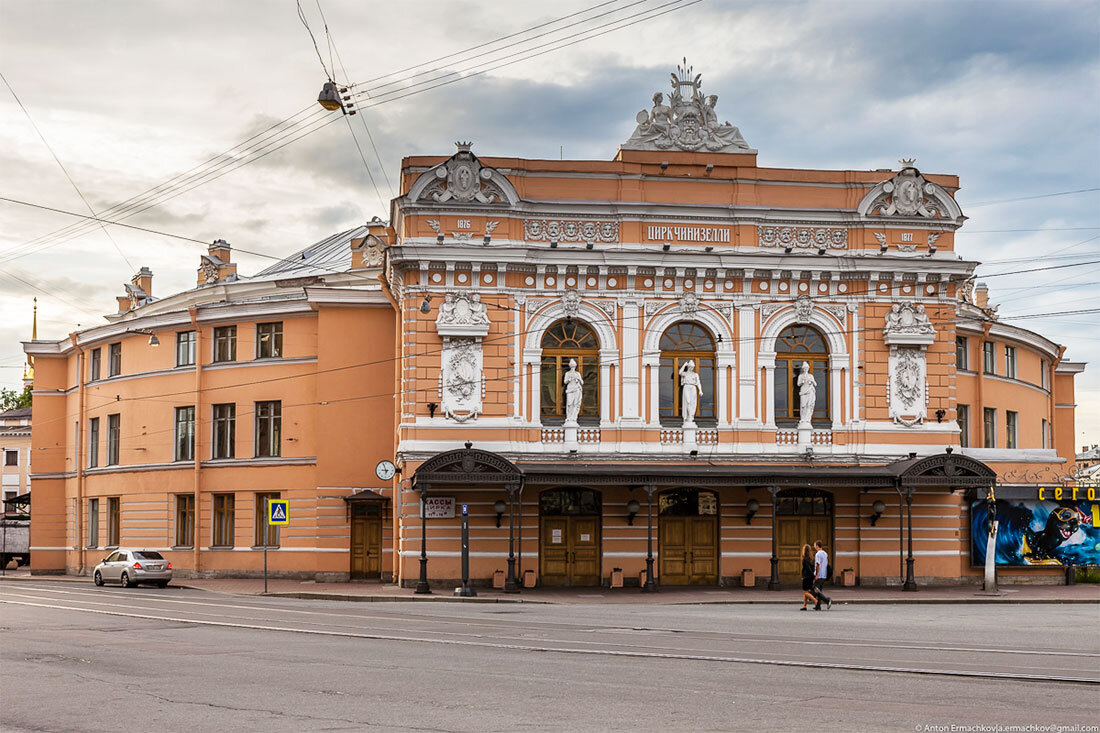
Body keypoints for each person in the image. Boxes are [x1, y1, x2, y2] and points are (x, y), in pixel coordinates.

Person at [811, 540, 832, 611]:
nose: (814, 546)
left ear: (817, 545)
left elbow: (817, 565)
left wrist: (816, 574)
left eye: (814, 545)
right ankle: (818, 606)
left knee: (815, 590)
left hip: (819, 575)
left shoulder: (818, 554)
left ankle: (827, 600)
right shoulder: (825, 553)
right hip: (824, 574)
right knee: (819, 590)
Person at [799, 544, 815, 611]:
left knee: (805, 592)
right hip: (811, 577)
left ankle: (815, 601)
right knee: (806, 592)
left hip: (806, 577)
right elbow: (812, 568)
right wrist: (813, 576)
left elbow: (807, 569)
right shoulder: (812, 558)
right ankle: (804, 606)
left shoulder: (805, 559)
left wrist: (803, 576)